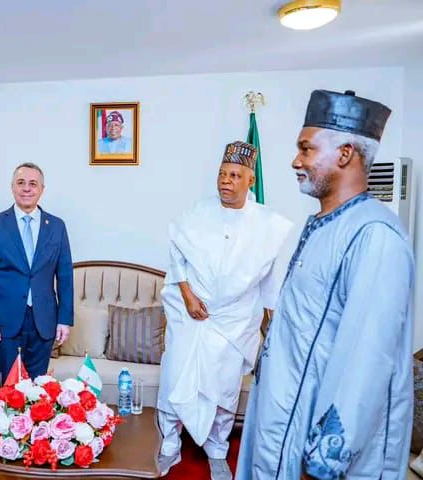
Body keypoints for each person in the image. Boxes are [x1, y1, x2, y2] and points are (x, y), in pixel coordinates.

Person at [236, 90, 414, 479]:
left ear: (345, 154)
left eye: (306, 149)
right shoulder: (323, 224)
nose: (295, 161)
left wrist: (321, 464)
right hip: (282, 426)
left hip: (316, 457)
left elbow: (364, 364)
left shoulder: (375, 236)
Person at [157, 141, 293, 479]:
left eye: (234, 175)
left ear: (250, 180)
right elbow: (177, 258)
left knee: (224, 389)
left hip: (235, 322)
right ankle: (169, 444)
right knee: (175, 379)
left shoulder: (268, 226)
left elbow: (271, 282)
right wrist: (187, 295)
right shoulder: (197, 213)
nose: (225, 181)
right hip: (191, 317)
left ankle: (218, 450)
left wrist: (273, 323)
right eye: (222, 174)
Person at [0, 162, 73, 383]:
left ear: (42, 189)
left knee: (38, 389)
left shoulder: (57, 226)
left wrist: (64, 320)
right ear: (12, 188)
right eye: (21, 183)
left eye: (33, 184)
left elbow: (65, 277)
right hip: (4, 323)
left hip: (43, 322)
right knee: (10, 389)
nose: (26, 188)